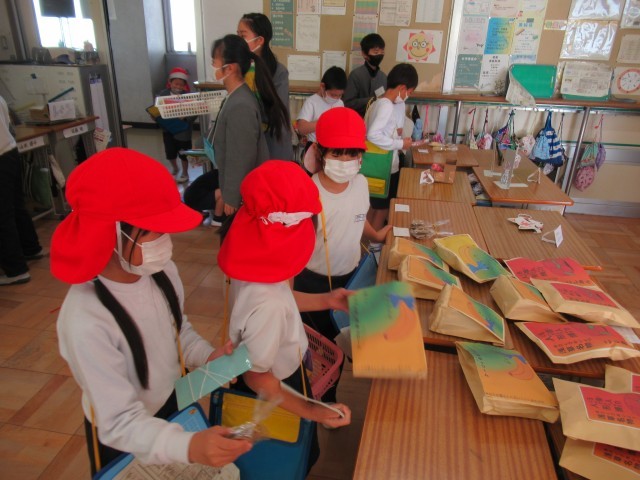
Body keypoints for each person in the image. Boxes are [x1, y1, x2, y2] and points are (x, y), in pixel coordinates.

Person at [50, 148, 252, 475]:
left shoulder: (160, 272)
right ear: (112, 231)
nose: (166, 241)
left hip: (171, 403)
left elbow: (178, 330)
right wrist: (187, 446)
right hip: (124, 436)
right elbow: (119, 421)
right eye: (154, 230)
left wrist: (206, 355)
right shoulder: (85, 320)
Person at [217, 160, 352, 469]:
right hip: (274, 384)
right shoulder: (269, 305)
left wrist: (327, 300)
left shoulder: (253, 259)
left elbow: (282, 299)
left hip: (273, 364)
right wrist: (314, 410)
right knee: (289, 457)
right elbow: (258, 377)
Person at [294, 107, 391, 403]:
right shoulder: (308, 194)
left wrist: (376, 235)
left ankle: (329, 393)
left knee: (350, 340)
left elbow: (358, 218)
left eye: (352, 154)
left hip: (351, 276)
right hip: (313, 283)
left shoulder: (360, 183)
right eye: (337, 153)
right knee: (324, 351)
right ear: (320, 152)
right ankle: (325, 401)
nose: (346, 162)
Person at [211, 34, 286, 216]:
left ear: (230, 68)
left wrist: (232, 196)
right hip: (236, 184)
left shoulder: (241, 104)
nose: (213, 66)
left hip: (242, 193)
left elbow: (241, 156)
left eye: (215, 62)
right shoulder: (236, 96)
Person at [365, 63, 418, 231]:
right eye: (409, 92)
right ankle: (373, 242)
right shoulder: (386, 105)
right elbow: (373, 135)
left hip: (376, 165)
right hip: (385, 166)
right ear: (402, 88)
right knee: (382, 208)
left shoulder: (378, 102)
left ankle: (365, 241)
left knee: (374, 206)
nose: (408, 96)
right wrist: (401, 143)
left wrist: (396, 134)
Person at [0, 95, 44, 286]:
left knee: (3, 217)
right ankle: (31, 248)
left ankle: (16, 270)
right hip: (9, 153)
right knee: (17, 206)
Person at [237, 13, 293, 160]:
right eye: (237, 35)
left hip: (272, 142)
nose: (238, 41)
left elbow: (278, 114)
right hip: (247, 140)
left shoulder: (278, 71)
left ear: (260, 40)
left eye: (243, 36)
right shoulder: (239, 69)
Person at [155, 67, 193, 183]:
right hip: (168, 129)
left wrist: (186, 116)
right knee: (170, 152)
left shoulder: (188, 96)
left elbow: (194, 112)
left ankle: (185, 172)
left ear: (184, 86)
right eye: (176, 84)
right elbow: (156, 110)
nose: (178, 87)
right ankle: (175, 168)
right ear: (170, 82)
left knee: (184, 152)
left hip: (183, 130)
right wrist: (155, 116)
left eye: (181, 85)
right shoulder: (162, 95)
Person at [296, 66, 347, 144]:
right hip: (315, 145)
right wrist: (324, 122)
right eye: (333, 95)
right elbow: (301, 128)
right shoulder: (312, 102)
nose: (336, 98)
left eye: (340, 95)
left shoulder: (340, 103)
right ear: (322, 87)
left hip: (333, 145)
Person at [343, 33, 387, 118]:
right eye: (376, 52)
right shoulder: (355, 75)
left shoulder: (383, 77)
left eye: (382, 52)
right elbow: (348, 103)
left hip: (376, 120)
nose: (380, 55)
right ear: (364, 54)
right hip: (357, 120)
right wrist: (372, 100)